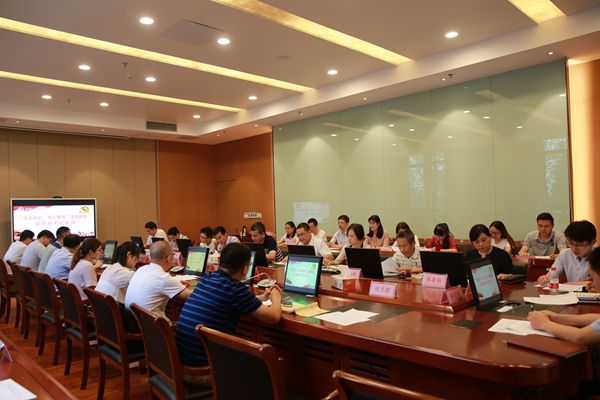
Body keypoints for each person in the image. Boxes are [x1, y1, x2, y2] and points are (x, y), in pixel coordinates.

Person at [176, 243, 282, 385]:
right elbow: (274, 317)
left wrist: (261, 298)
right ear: (245, 269)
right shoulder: (235, 289)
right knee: (265, 362)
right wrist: (276, 296)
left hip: (182, 364)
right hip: (206, 372)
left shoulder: (208, 277)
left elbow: (227, 298)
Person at [125, 241, 191, 319]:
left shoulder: (141, 269)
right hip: (154, 325)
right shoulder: (164, 278)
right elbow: (193, 297)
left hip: (132, 321)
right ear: (169, 258)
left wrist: (176, 285)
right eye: (173, 255)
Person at [537, 220, 596, 285]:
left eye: (579, 244)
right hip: (571, 291)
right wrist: (545, 278)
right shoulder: (564, 254)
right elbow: (552, 274)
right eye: (571, 243)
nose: (574, 249)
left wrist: (574, 283)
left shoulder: (598, 256)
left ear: (593, 242)